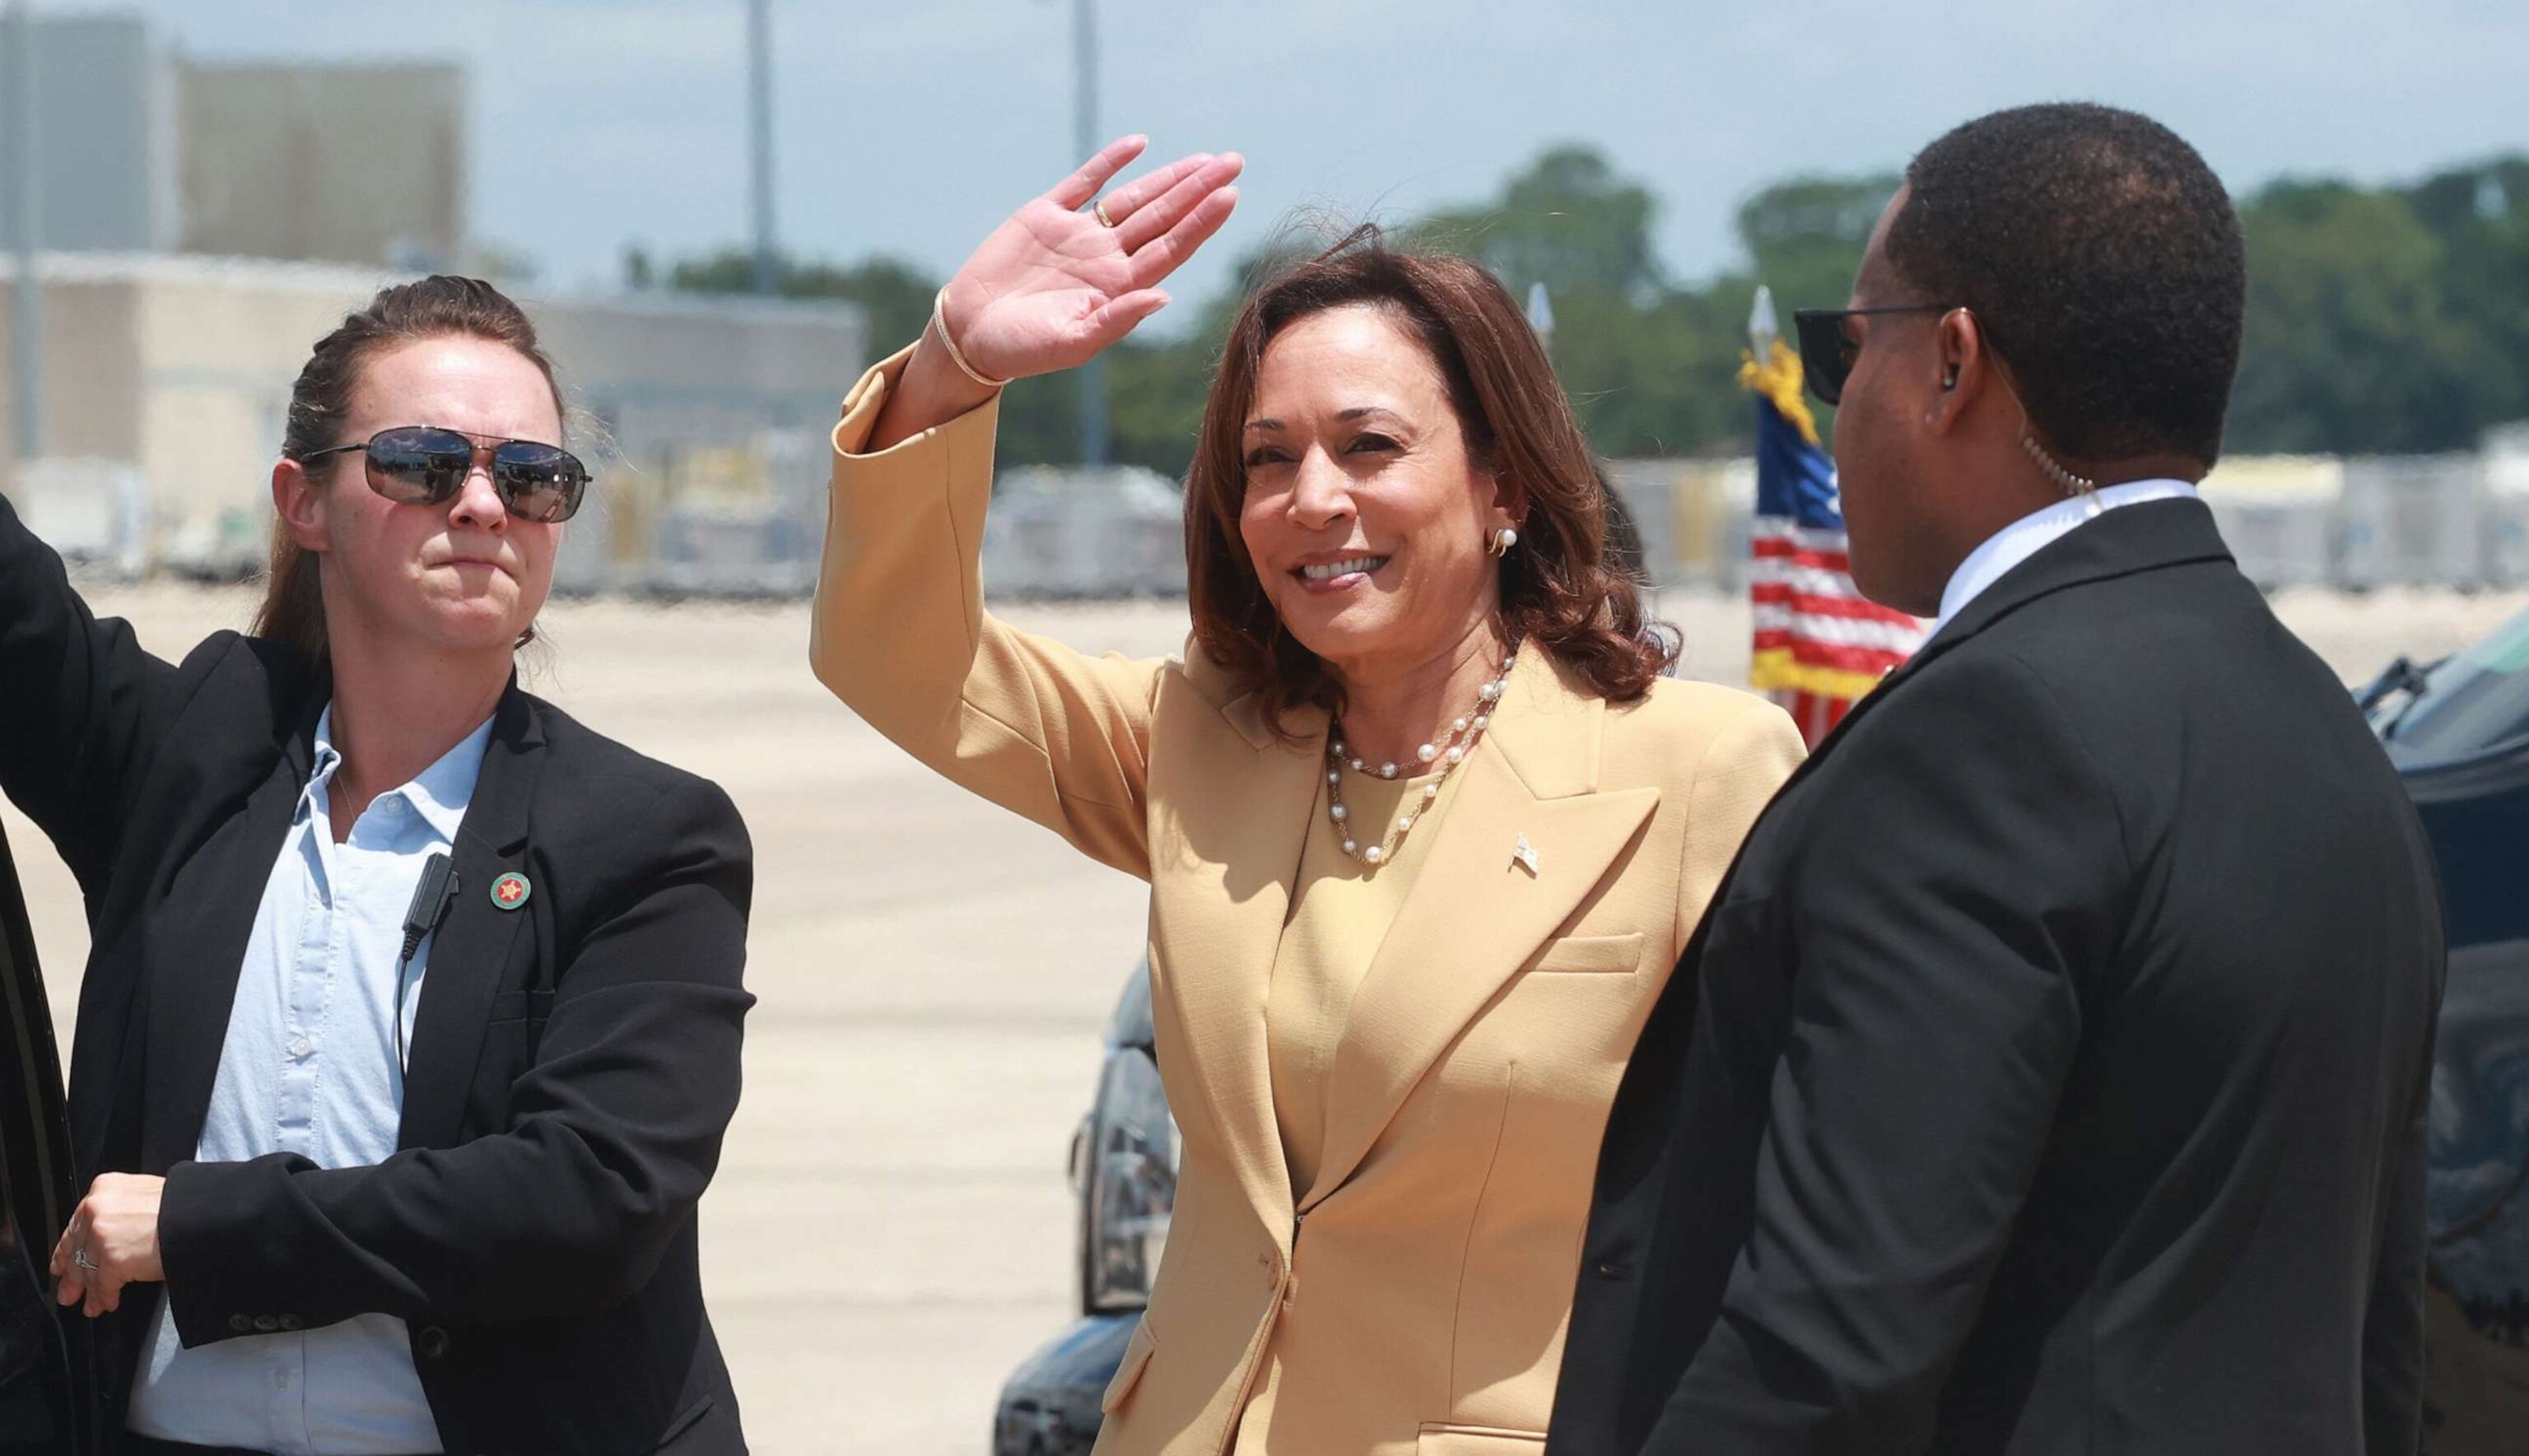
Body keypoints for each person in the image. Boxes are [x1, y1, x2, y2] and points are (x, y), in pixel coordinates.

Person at [811, 138, 1802, 1455]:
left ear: (1501, 480)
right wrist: (956, 361)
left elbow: (1795, 1212)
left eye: (1369, 445)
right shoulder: (1204, 743)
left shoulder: (1700, 770)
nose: (1312, 499)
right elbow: (901, 655)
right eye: (1268, 458)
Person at [1548, 103, 2445, 1456]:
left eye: (1844, 346)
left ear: (1952, 362)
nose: (1833, 396)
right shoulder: (2330, 737)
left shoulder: (1982, 746)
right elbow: (2373, 1340)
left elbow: (1833, 1341)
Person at [10, 276, 755, 1455]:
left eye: (530, 477)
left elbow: (585, 1195)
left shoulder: (649, 836)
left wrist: (202, 1227)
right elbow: (17, 629)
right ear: (304, 502)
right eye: (420, 462)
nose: (481, 506)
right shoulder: (196, 759)